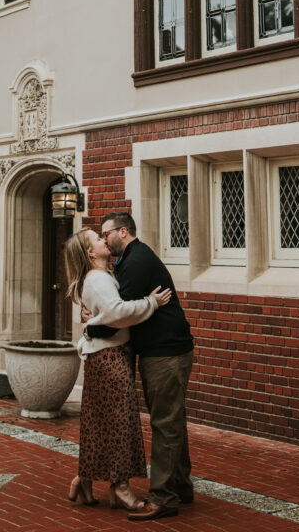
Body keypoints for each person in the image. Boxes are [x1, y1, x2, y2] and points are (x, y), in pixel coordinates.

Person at [86, 212, 194, 521]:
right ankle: (180, 487)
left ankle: (163, 498)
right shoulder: (132, 258)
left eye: (107, 234)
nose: (104, 239)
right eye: (101, 237)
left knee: (165, 424)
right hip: (164, 351)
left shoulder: (135, 262)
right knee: (172, 420)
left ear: (123, 231)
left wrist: (90, 327)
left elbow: (117, 318)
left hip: (165, 353)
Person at [64, 227, 172, 511]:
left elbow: (101, 312)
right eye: (98, 239)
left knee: (99, 423)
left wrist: (91, 318)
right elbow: (116, 313)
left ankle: (85, 481)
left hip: (104, 357)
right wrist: (151, 302)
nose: (104, 240)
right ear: (90, 252)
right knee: (119, 423)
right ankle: (121, 488)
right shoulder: (98, 278)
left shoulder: (101, 276)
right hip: (110, 358)